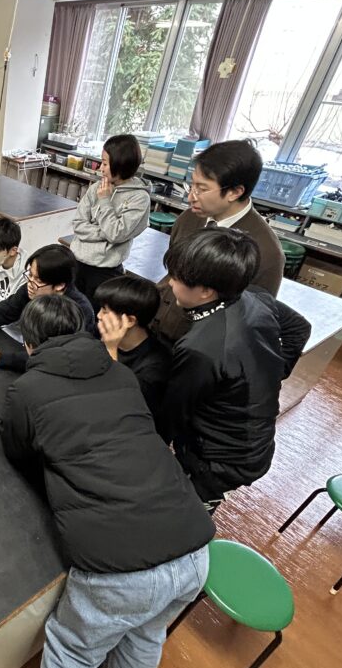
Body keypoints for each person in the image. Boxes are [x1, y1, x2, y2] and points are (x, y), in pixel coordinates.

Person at [0, 295, 215, 668]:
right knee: (148, 631)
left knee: (70, 654)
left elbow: (17, 450)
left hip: (120, 568)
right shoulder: (122, 375)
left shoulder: (28, 388)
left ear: (30, 345)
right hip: (192, 550)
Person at [160, 229, 311, 506]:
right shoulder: (254, 297)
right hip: (253, 439)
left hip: (221, 458)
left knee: (187, 509)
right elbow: (299, 327)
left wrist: (150, 452)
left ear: (206, 291)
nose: (170, 282)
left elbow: (175, 412)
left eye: (177, 278)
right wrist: (270, 374)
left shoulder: (200, 348)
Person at [153, 139, 286, 344]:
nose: (191, 197)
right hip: (159, 325)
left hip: (197, 346)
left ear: (235, 192)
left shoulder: (266, 252)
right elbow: (173, 275)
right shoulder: (189, 218)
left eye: (201, 189)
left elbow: (252, 319)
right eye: (191, 185)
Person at [0, 244, 95, 372]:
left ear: (60, 285)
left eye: (38, 280)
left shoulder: (78, 312)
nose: (30, 283)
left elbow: (53, 358)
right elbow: (5, 310)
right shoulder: (34, 288)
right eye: (30, 275)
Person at [70, 134, 151, 304]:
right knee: (70, 311)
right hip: (77, 263)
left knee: (96, 316)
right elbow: (78, 224)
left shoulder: (139, 198)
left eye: (105, 164)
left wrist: (105, 201)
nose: (101, 168)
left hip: (105, 272)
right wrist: (104, 233)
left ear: (121, 164)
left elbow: (115, 234)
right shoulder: (96, 187)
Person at [94, 275, 171, 419]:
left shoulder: (157, 363)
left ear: (129, 320)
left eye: (105, 310)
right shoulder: (101, 334)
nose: (99, 315)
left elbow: (123, 400)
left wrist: (110, 349)